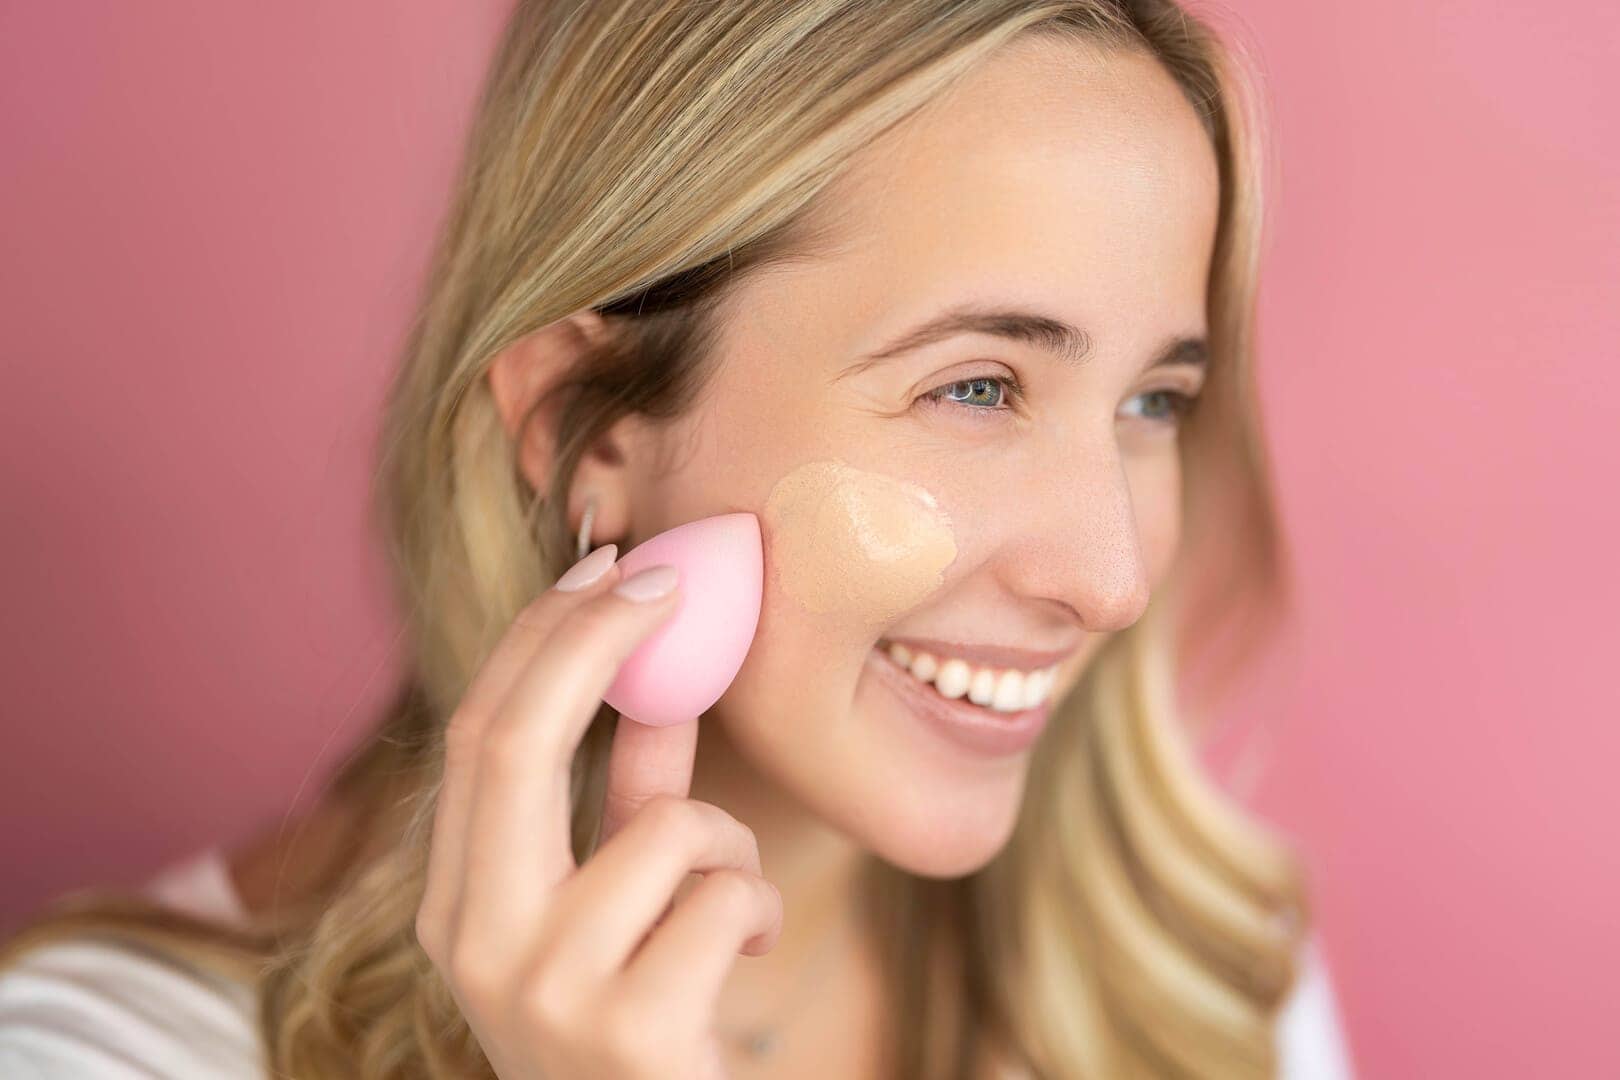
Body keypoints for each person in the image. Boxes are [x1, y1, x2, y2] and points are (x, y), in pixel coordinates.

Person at [0, 0, 1356, 1076]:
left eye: (1153, 402)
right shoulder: (118, 1053)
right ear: (586, 427)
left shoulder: (1200, 986)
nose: (1112, 581)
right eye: (976, 389)